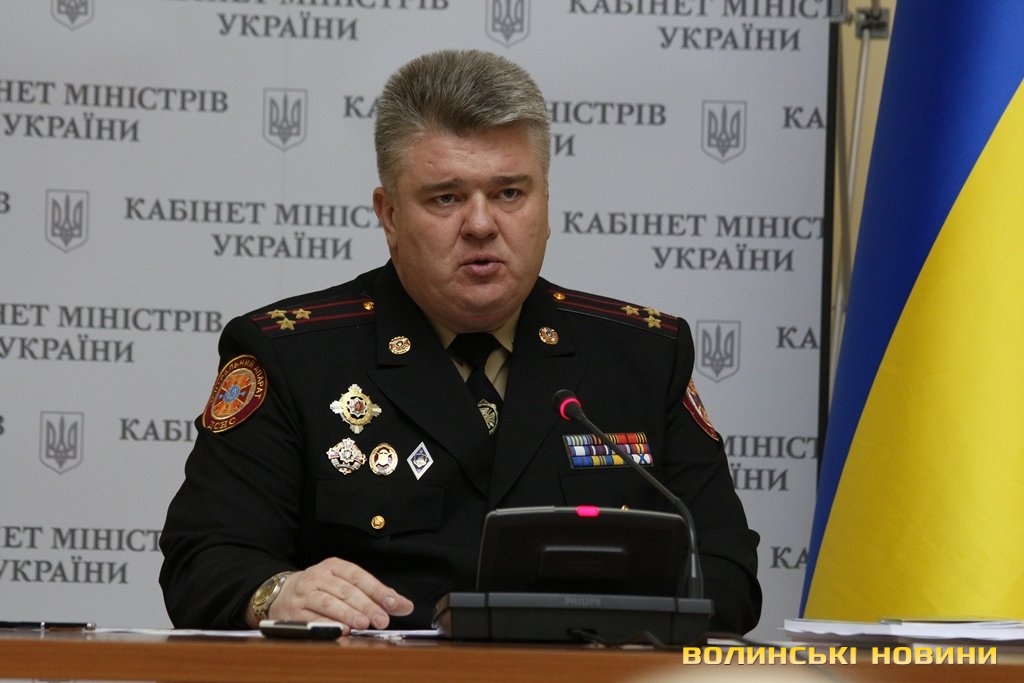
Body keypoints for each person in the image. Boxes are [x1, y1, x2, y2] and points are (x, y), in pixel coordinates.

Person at [159, 49, 761, 636]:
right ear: (389, 215)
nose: (480, 224)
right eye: (445, 197)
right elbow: (203, 560)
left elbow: (728, 575)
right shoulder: (293, 356)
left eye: (509, 193)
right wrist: (278, 593)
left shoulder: (644, 356)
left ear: (546, 204)